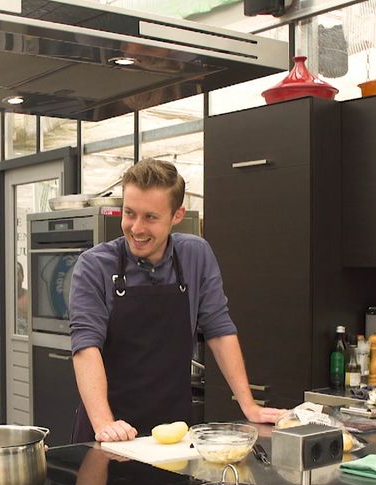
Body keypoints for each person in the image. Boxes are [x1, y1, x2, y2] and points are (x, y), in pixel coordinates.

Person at [68, 159, 286, 443]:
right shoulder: (94, 266)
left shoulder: (195, 254)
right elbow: (86, 346)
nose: (136, 228)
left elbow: (219, 330)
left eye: (150, 217)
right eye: (130, 213)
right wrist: (105, 424)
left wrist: (249, 405)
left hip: (173, 434)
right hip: (109, 429)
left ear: (177, 215)